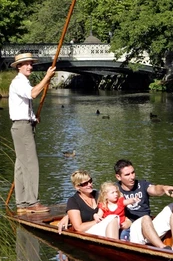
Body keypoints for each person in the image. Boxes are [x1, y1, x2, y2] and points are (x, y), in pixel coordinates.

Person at [9, 52, 56, 214]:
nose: (30, 67)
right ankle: (32, 202)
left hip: (23, 125)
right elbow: (34, 94)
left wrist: (33, 117)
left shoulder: (22, 82)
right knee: (31, 164)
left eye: (31, 64)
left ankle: (22, 204)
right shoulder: (19, 82)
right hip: (22, 128)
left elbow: (23, 105)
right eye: (26, 64)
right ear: (19, 67)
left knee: (21, 166)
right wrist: (47, 77)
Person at [114, 159, 173, 251]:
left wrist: (163, 188)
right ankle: (163, 249)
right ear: (118, 177)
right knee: (145, 218)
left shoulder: (142, 184)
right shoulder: (114, 190)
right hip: (134, 232)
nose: (132, 177)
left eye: (133, 173)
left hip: (150, 228)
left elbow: (154, 189)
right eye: (127, 174)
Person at [65, 170, 121, 239]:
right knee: (112, 217)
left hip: (103, 228)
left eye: (90, 181)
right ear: (77, 187)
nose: (89, 185)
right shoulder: (73, 201)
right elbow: (79, 228)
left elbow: (115, 204)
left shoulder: (98, 195)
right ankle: (114, 245)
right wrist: (98, 221)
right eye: (85, 183)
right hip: (87, 233)